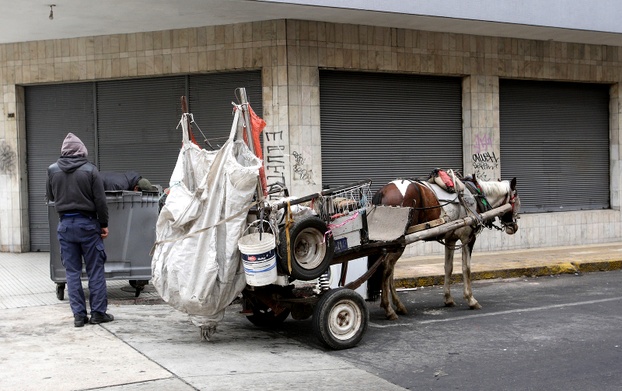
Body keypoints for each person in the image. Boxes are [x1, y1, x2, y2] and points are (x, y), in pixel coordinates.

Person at [46, 133, 114, 327]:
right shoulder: (91, 170)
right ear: (81, 151)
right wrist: (103, 224)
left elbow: (51, 197)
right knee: (95, 270)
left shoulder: (52, 170)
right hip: (88, 225)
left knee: (72, 272)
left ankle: (78, 316)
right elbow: (100, 201)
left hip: (66, 226)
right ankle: (98, 313)